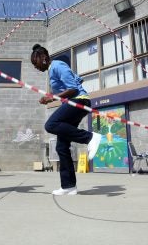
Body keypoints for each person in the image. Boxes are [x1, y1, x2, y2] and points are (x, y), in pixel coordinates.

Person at [30, 44, 101, 196]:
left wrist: (51, 97)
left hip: (79, 101)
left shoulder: (57, 65)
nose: (35, 66)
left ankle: (90, 137)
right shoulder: (52, 71)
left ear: (43, 58)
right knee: (61, 147)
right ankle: (69, 186)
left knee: (51, 124)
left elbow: (73, 89)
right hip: (72, 103)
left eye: (35, 62)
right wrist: (50, 99)